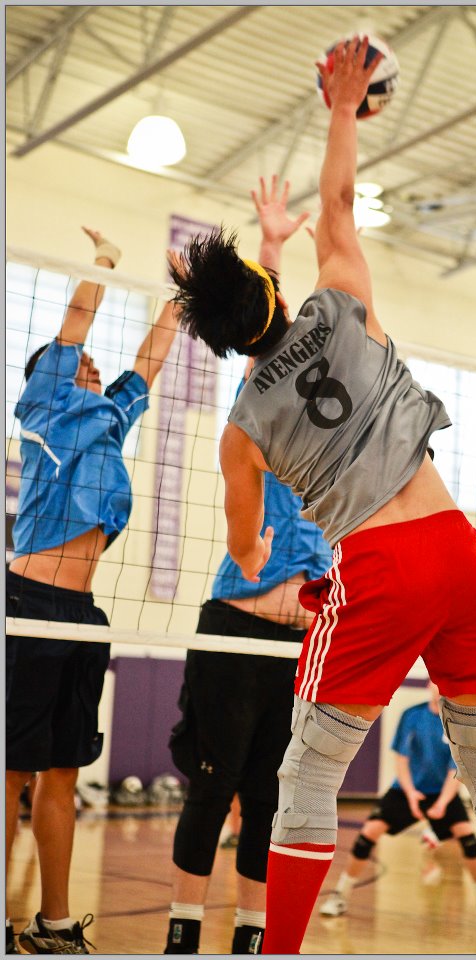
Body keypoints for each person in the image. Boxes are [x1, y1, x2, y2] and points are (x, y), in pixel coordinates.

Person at [171, 37, 476, 957]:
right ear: (270, 283)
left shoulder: (241, 432)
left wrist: (261, 552)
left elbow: (248, 551)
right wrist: (342, 106)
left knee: (307, 775)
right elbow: (337, 205)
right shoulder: (341, 299)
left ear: (221, 344)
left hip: (379, 569)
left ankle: (282, 951)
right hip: (460, 551)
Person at [163, 181, 331, 957]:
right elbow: (260, 335)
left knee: (271, 796)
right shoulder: (252, 414)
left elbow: (272, 329)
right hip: (237, 626)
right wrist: (255, 554)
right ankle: (183, 933)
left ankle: (254, 936)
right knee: (214, 786)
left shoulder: (321, 408)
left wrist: (272, 246)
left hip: (301, 642)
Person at [6, 228, 180, 955]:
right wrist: (103, 262)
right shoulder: (45, 402)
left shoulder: (109, 417)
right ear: (47, 374)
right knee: (11, 768)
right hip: (28, 603)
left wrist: (182, 298)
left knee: (62, 773)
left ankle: (53, 923)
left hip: (82, 614)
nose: (89, 362)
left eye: (88, 363)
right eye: (77, 360)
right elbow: (76, 322)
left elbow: (149, 361)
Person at [320, 683, 476, 928]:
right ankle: (339, 896)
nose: (439, 688)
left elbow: (457, 768)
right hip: (406, 790)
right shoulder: (412, 715)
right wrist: (411, 793)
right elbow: (401, 759)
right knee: (368, 834)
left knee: (468, 838)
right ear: (428, 686)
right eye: (434, 683)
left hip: (442, 792)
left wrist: (442, 803)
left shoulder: (457, 721)